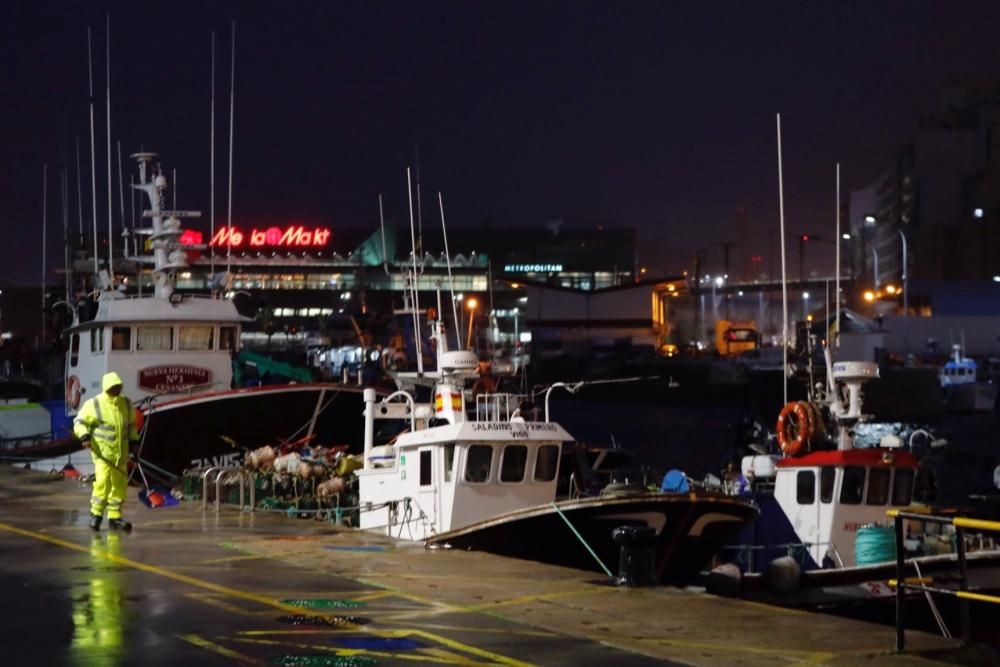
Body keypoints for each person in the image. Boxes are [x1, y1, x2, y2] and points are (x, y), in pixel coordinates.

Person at [73, 372, 139, 532]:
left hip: (121, 456)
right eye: (113, 387)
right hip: (103, 454)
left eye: (118, 387)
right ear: (106, 388)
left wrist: (134, 443)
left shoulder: (127, 404)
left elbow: (131, 427)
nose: (116, 390)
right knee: (102, 483)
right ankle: (96, 515)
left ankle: (114, 518)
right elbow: (79, 422)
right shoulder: (94, 404)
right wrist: (84, 436)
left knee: (119, 486)